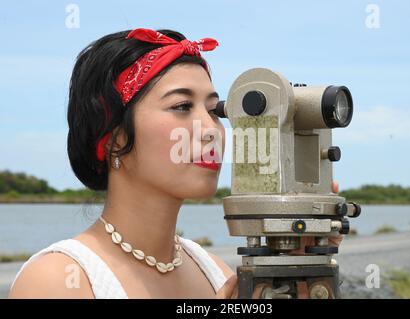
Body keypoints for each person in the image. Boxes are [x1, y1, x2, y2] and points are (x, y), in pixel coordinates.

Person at [8, 28, 342, 299]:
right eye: (182, 106)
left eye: (214, 110)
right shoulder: (59, 280)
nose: (210, 129)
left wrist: (300, 265)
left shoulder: (214, 271)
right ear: (114, 137)